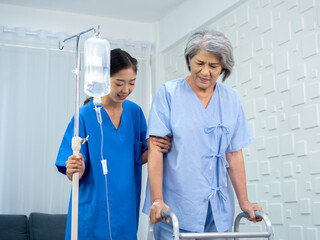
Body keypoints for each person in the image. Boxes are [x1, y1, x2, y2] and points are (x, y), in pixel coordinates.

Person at [144, 29, 263, 239]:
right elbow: (155, 148)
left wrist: (244, 201)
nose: (205, 72)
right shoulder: (169, 93)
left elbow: (234, 154)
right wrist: (157, 200)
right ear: (189, 60)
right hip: (175, 208)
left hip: (218, 210)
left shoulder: (231, 98)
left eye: (213, 66)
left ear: (223, 67)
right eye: (199, 63)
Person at [56, 48, 171, 240]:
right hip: (92, 210)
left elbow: (138, 155)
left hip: (125, 209)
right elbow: (72, 170)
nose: (126, 90)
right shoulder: (85, 115)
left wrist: (155, 147)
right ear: (103, 79)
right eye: (119, 83)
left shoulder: (134, 112)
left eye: (132, 83)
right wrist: (74, 168)